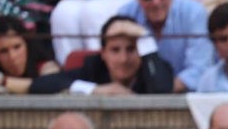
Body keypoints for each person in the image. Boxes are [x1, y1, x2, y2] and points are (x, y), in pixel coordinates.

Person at [116, 0, 214, 93]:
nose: (156, 2)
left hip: (189, 97)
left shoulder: (193, 14)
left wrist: (163, 90)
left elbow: (200, 68)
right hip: (140, 96)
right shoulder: (126, 14)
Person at [30, 16, 176, 95]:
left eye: (131, 49)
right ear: (103, 53)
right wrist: (94, 90)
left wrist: (145, 38)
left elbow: (161, 91)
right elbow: (42, 84)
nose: (123, 59)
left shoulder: (155, 67)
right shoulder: (93, 67)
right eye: (115, 50)